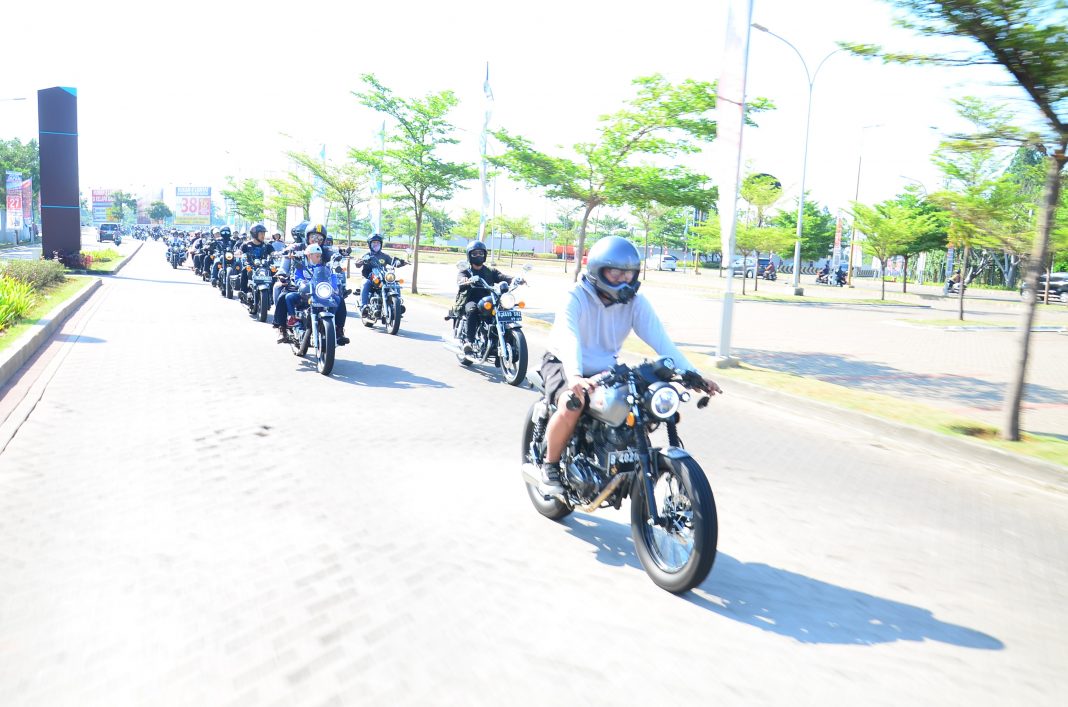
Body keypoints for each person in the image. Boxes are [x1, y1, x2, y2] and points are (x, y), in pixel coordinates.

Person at [537, 236, 722, 495]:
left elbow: (662, 342)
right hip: (563, 362)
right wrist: (575, 376)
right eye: (615, 273)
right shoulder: (576, 296)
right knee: (572, 403)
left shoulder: (635, 302)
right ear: (598, 270)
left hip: (605, 370)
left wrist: (694, 376)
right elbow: (570, 338)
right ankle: (550, 466)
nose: (623, 280)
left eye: (628, 274)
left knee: (641, 405)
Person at [452, 240, 514, 355]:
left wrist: (514, 279)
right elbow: (460, 278)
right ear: (469, 255)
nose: (478, 256)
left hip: (489, 301)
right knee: (472, 310)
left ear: (485, 255)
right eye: (475, 253)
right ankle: (469, 341)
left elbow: (501, 276)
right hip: (471, 300)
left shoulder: (490, 271)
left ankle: (501, 341)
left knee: (503, 310)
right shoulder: (466, 271)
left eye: (481, 253)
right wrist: (464, 280)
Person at [359, 234, 407, 316]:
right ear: (370, 244)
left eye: (378, 243)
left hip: (383, 277)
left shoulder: (384, 256)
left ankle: (397, 306)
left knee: (396, 284)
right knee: (365, 283)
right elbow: (358, 263)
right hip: (370, 277)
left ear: (381, 244)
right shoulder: (366, 255)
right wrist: (360, 262)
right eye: (374, 243)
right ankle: (363, 306)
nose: (376, 244)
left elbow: (393, 262)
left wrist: (401, 262)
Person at [239, 224, 273, 296]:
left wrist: (279, 253)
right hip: (251, 266)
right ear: (254, 234)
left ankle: (273, 294)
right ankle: (244, 292)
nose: (263, 235)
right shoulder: (246, 245)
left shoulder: (267, 245)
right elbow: (240, 252)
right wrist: (237, 253)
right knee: (245, 270)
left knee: (274, 271)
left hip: (265, 266)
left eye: (264, 233)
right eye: (261, 233)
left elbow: (273, 253)